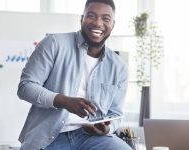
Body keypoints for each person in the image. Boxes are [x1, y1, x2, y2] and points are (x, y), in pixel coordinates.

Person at [17, 0, 132, 149]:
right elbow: (26, 87)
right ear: (81, 19)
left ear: (113, 25)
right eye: (91, 16)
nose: (98, 23)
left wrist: (107, 128)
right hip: (50, 137)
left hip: (92, 138)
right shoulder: (53, 44)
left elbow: (116, 113)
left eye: (106, 18)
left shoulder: (119, 66)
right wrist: (64, 101)